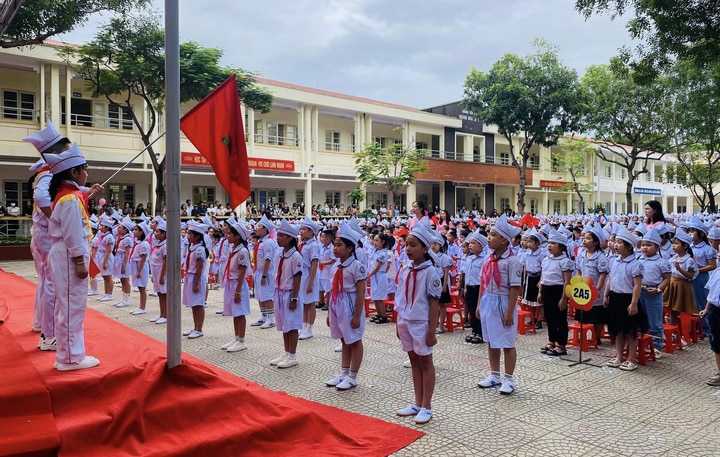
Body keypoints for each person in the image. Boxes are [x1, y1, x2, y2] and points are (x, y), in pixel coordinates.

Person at [45, 144, 100, 370]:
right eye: (84, 169)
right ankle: (69, 358)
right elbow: (73, 232)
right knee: (72, 306)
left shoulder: (68, 195)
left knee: (68, 305)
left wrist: (90, 191)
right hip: (69, 255)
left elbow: (79, 194)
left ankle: (69, 354)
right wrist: (79, 260)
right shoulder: (69, 200)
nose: (86, 173)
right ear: (73, 173)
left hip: (66, 253)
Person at [394, 222, 440, 424]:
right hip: (406, 321)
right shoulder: (406, 270)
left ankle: (427, 406)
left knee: (426, 362)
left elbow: (434, 304)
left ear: (425, 248)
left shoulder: (430, 273)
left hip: (421, 323)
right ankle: (417, 402)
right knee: (413, 361)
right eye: (406, 245)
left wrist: (432, 331)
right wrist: (398, 322)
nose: (408, 249)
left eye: (413, 245)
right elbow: (400, 298)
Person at [476, 215, 522, 395]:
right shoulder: (488, 259)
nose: (489, 238)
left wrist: (510, 311)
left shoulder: (512, 261)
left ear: (504, 240)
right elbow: (483, 282)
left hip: (504, 302)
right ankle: (494, 374)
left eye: (493, 235)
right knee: (491, 340)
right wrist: (480, 304)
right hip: (489, 300)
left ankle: (509, 378)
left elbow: (515, 288)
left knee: (507, 342)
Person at [325, 222, 367, 390]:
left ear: (350, 248)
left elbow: (361, 293)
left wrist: (357, 315)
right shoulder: (336, 265)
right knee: (344, 339)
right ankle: (343, 372)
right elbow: (332, 289)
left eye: (339, 245)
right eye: (334, 245)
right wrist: (330, 311)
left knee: (354, 339)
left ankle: (353, 376)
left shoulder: (357, 266)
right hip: (337, 304)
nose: (335, 248)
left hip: (350, 304)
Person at [603, 228, 645, 371]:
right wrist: (606, 295)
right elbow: (610, 279)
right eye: (615, 242)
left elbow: (637, 285)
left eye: (619, 242)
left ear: (628, 246)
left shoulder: (635, 264)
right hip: (615, 297)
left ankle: (631, 359)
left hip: (628, 300)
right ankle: (619, 356)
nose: (615, 244)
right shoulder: (614, 261)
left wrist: (634, 303)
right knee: (617, 330)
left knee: (630, 331)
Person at [269, 219, 303, 368]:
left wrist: (294, 297)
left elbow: (297, 277)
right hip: (280, 292)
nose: (278, 238)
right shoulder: (281, 254)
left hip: (290, 293)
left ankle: (293, 355)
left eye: (281, 235)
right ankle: (286, 352)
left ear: (290, 238)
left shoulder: (296, 256)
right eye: (278, 235)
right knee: (283, 324)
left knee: (292, 325)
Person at [538, 229, 574, 357]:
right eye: (548, 243)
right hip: (547, 289)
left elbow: (567, 281)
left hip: (558, 291)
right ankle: (551, 340)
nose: (549, 246)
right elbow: (543, 277)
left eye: (553, 243)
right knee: (549, 318)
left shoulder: (565, 261)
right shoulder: (547, 259)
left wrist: (564, 298)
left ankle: (561, 344)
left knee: (560, 319)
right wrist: (540, 292)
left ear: (561, 246)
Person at [574, 225, 610, 342]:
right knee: (582, 312)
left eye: (588, 238)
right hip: (583, 288)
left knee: (596, 314)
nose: (584, 240)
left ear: (595, 242)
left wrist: (598, 289)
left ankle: (596, 336)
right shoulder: (581, 254)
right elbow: (579, 270)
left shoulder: (601, 257)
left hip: (595, 288)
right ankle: (583, 335)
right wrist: (576, 283)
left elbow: (603, 274)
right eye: (584, 238)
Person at [220, 220, 252, 352]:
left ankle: (242, 340)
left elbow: (242, 271)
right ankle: (236, 337)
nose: (227, 236)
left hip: (237, 284)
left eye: (230, 234)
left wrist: (238, 291)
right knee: (234, 312)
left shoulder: (242, 251)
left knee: (240, 312)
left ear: (238, 236)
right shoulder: (234, 249)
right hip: (231, 282)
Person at [638, 229, 670, 355]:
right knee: (641, 319)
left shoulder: (661, 262)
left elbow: (667, 278)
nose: (645, 248)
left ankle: (657, 345)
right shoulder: (638, 259)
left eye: (649, 245)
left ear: (657, 247)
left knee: (654, 320)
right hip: (640, 291)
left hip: (653, 293)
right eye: (643, 245)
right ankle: (643, 343)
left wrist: (658, 289)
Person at [688, 216, 717, 338]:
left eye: (693, 231)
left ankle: (705, 327)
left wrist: (697, 270)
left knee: (701, 301)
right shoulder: (689, 246)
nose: (690, 234)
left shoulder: (707, 248)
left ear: (700, 233)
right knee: (691, 302)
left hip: (701, 278)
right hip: (689, 277)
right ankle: (694, 326)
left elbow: (712, 265)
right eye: (689, 231)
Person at [664, 229, 697, 329]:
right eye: (673, 244)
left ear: (685, 246)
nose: (673, 246)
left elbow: (691, 276)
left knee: (684, 309)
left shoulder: (689, 260)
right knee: (673, 309)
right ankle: (674, 329)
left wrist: (679, 269)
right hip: (672, 284)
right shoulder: (673, 258)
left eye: (676, 244)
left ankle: (686, 331)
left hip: (682, 285)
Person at [182, 221, 209, 339]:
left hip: (196, 277)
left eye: (190, 233)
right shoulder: (192, 247)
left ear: (197, 236)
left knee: (199, 304)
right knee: (193, 304)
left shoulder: (200, 250)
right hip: (190, 276)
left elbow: (199, 267)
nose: (188, 236)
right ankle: (195, 327)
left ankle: (200, 328)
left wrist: (196, 283)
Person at [298, 216, 323, 340]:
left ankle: (309, 328)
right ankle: (303, 326)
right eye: (301, 229)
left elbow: (314, 264)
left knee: (310, 303)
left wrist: (310, 282)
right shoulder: (303, 244)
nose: (301, 231)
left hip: (309, 274)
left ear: (311, 232)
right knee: (303, 302)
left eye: (304, 229)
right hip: (303, 274)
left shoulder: (313, 245)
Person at [252, 215, 278, 329]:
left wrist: (264, 275)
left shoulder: (269, 242)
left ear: (265, 229)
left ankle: (271, 319)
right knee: (260, 295)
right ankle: (263, 316)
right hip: (259, 270)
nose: (257, 228)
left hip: (266, 272)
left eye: (259, 226)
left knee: (267, 295)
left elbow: (268, 260)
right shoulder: (261, 242)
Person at [463, 229, 487, 344]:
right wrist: (466, 287)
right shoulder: (469, 259)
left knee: (480, 311)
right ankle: (475, 330)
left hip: (479, 288)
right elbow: (467, 274)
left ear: (481, 246)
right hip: (470, 287)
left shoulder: (484, 259)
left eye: (473, 243)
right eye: (470, 244)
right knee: (472, 311)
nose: (470, 246)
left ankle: (481, 332)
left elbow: (484, 277)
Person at [128, 222, 151, 315]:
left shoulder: (144, 244)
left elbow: (143, 258)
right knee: (139, 286)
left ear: (142, 232)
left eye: (136, 230)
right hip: (136, 265)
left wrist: (140, 271)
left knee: (142, 288)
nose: (134, 231)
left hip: (140, 266)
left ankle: (143, 307)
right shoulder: (138, 242)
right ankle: (140, 306)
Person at [368, 233, 391, 324]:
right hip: (375, 276)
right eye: (374, 240)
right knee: (375, 297)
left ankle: (383, 316)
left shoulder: (383, 254)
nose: (375, 242)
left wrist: (368, 276)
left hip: (379, 276)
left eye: (377, 240)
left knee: (379, 298)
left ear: (383, 242)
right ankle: (379, 313)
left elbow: (377, 267)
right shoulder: (376, 251)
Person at [113, 216, 135, 308]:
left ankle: (127, 300)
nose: (118, 229)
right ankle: (123, 299)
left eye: (120, 228)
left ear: (126, 229)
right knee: (122, 279)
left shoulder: (127, 239)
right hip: (119, 258)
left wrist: (124, 265)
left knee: (125, 279)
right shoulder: (122, 238)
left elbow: (127, 253)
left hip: (123, 259)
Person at [149, 219, 168, 324]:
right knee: (160, 293)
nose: (155, 234)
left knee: (164, 293)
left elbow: (166, 261)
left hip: (162, 271)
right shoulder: (159, 244)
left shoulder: (165, 245)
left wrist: (161, 276)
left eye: (157, 232)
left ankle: (166, 315)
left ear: (163, 233)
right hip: (156, 271)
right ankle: (161, 314)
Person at [94, 215, 115, 301]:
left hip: (107, 257)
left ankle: (109, 294)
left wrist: (105, 262)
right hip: (102, 256)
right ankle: (106, 293)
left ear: (107, 227)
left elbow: (109, 250)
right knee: (105, 276)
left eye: (102, 226)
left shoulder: (109, 237)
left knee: (108, 276)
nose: (100, 227)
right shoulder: (103, 236)